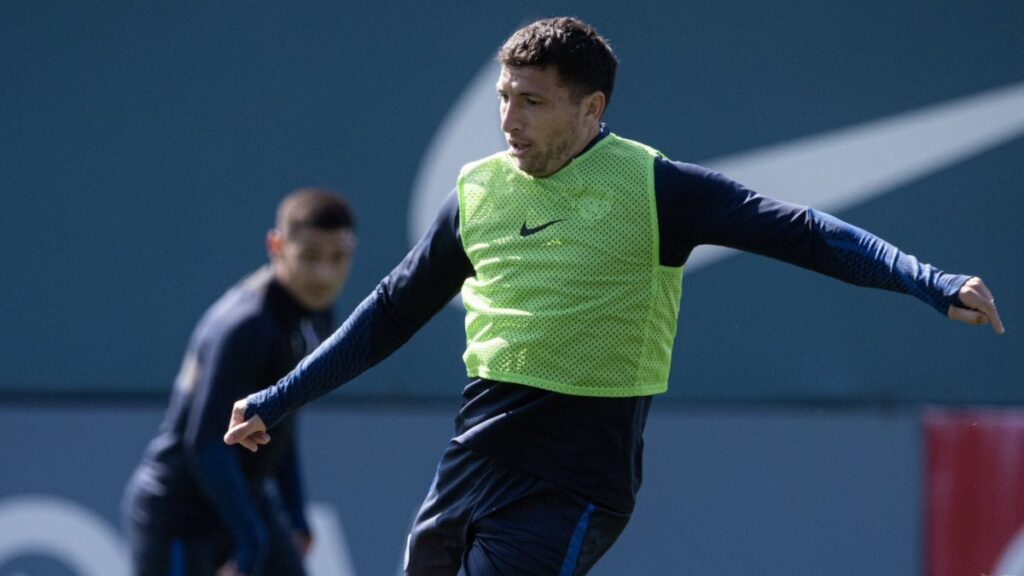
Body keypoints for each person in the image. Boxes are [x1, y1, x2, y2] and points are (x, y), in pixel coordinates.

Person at [224, 17, 1004, 576]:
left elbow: (802, 231)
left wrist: (928, 282)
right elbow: (391, 311)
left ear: (591, 108)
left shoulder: (655, 188)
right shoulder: (478, 191)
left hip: (579, 467)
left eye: (532, 101)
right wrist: (282, 396)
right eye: (503, 96)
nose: (507, 120)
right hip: (476, 449)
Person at [123, 188, 357, 576]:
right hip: (180, 516)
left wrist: (295, 512)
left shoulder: (317, 315)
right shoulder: (246, 326)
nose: (324, 274)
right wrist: (251, 543)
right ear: (276, 245)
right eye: (310, 256)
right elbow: (207, 443)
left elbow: (282, 416)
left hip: (242, 505)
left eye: (338, 258)